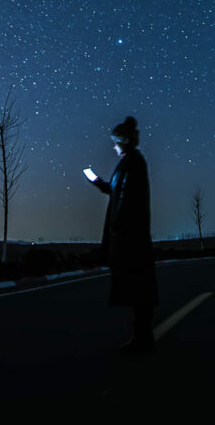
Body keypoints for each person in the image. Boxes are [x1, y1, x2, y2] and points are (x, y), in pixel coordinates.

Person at [88, 115, 158, 354]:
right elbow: (118, 190)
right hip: (130, 234)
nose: (114, 146)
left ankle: (142, 339)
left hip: (130, 236)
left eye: (115, 142)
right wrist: (97, 182)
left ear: (123, 141)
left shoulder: (133, 162)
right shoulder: (130, 162)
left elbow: (126, 198)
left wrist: (117, 229)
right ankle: (141, 337)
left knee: (138, 287)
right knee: (138, 287)